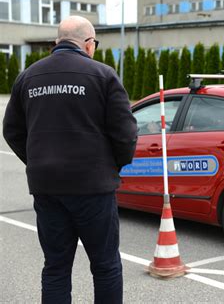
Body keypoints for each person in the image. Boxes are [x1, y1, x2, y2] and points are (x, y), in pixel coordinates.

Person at [2, 16, 137, 303]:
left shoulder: (28, 77)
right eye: (95, 44)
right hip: (93, 189)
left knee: (56, 268)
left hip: (47, 189)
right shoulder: (103, 75)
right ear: (89, 44)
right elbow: (126, 134)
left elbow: (11, 130)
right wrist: (113, 166)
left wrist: (38, 161)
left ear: (57, 43)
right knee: (105, 266)